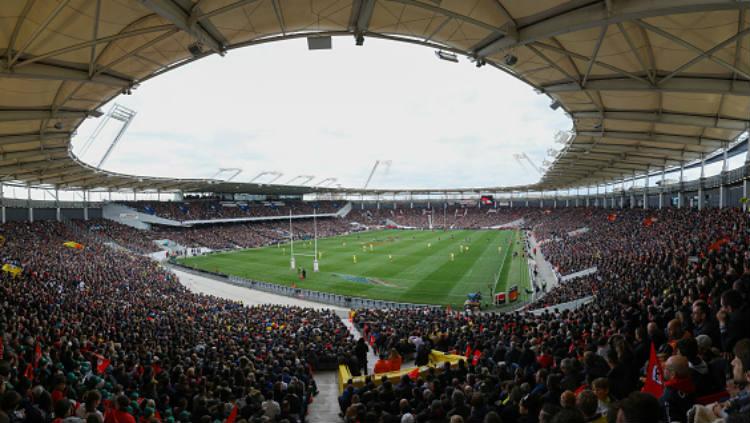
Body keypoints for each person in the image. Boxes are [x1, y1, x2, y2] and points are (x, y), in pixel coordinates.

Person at [660, 355, 696, 423]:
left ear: (673, 374)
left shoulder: (667, 396)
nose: (663, 369)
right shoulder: (693, 384)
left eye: (665, 368)